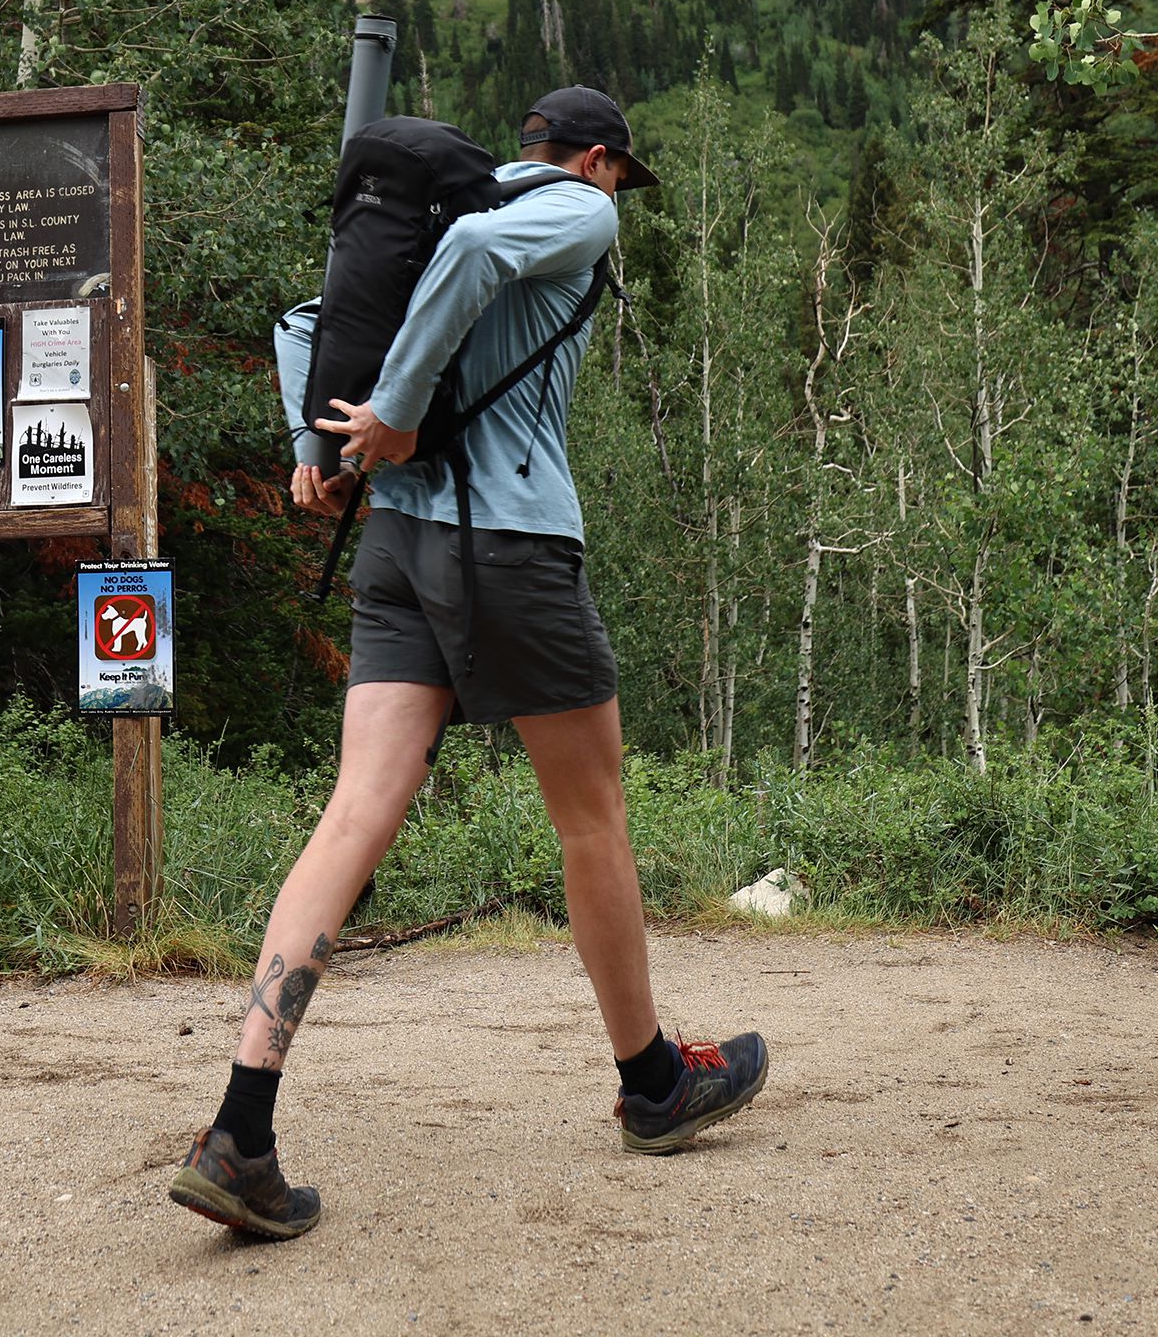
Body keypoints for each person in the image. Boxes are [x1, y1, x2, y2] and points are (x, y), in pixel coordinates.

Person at [169, 87, 768, 1240]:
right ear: (597, 158)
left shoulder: (429, 219)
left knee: (353, 814)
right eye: (613, 174)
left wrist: (323, 450)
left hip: (396, 544)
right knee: (592, 817)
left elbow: (305, 321)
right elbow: (494, 253)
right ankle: (654, 1084)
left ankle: (240, 1126)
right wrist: (390, 412)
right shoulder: (573, 216)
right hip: (508, 543)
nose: (611, 194)